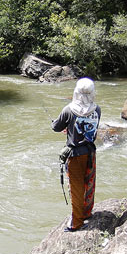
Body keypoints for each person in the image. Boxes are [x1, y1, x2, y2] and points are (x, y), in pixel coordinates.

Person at [52, 78, 102, 232]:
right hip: (90, 152)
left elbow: (56, 127)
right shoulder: (97, 109)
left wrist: (63, 125)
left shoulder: (68, 110)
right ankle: (86, 212)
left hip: (74, 155)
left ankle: (77, 223)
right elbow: (89, 130)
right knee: (89, 183)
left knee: (76, 188)